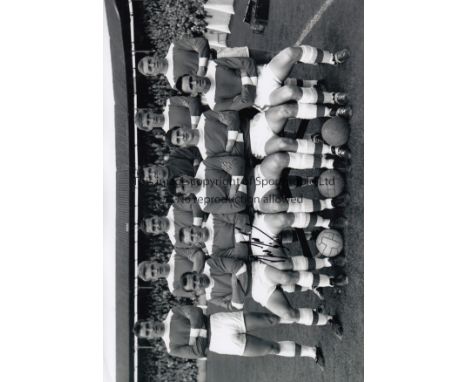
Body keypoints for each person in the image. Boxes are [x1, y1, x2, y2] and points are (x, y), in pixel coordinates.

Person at [180, 256, 346, 338]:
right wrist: (234, 282)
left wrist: (237, 287)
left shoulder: (210, 264)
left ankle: (332, 279)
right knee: (289, 315)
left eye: (194, 278)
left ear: (195, 272)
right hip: (257, 292)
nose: (197, 282)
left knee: (286, 278)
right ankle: (329, 319)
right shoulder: (210, 297)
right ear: (196, 291)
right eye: (194, 285)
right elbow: (236, 306)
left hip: (257, 271)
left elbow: (240, 267)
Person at [133, 305, 325, 369]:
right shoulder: (172, 348)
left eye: (148, 325)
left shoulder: (173, 312)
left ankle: (318, 316)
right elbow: (199, 352)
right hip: (222, 343)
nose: (152, 329)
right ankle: (312, 352)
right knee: (271, 348)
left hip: (220, 322)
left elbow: (197, 313)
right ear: (149, 338)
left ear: (150, 320)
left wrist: (195, 336)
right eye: (147, 332)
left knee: (270, 318)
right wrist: (197, 334)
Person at [250, 152, 349, 213]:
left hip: (256, 174)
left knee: (278, 160)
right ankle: (329, 204)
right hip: (256, 199)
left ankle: (329, 163)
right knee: (278, 205)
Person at [168, 156, 248, 214]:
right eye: (183, 187)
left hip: (254, 172)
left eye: (182, 180)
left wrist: (234, 189)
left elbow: (237, 161)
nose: (186, 182)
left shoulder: (205, 165)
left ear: (184, 175)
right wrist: (239, 177)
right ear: (186, 194)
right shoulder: (205, 205)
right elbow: (239, 205)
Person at [175, 56, 258, 111]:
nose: (195, 82)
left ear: (193, 74)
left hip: (259, 72)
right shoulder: (214, 104)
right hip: (260, 96)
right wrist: (244, 75)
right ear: (193, 94)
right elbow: (247, 101)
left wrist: (252, 86)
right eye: (191, 86)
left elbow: (247, 62)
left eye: (191, 79)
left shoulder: (213, 64)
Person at [166, 110, 245, 159]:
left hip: (251, 125)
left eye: (178, 133)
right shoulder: (207, 156)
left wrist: (231, 143)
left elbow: (232, 116)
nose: (181, 136)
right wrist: (237, 131)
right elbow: (236, 158)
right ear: (182, 146)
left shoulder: (205, 117)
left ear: (182, 127)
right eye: (178, 140)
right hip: (253, 149)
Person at [138, 37, 211, 88]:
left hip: (218, 58)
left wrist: (202, 68)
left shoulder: (174, 47)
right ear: (153, 74)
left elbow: (201, 42)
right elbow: (200, 89)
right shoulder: (174, 82)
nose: (152, 64)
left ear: (153, 57)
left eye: (150, 61)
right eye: (150, 68)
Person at [178, 212, 251, 258]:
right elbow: (241, 254)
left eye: (192, 231)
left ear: (193, 226)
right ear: (194, 244)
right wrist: (237, 232)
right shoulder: (213, 253)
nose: (196, 235)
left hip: (255, 224)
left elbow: (242, 218)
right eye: (192, 238)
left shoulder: (214, 216)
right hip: (254, 247)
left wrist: (240, 242)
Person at [137, 250, 203, 298]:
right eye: (153, 274)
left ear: (154, 261)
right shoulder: (174, 288)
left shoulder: (176, 253)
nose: (156, 270)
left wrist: (195, 276)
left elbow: (198, 254)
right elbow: (197, 293)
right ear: (154, 279)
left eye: (152, 267)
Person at [135, 96, 202, 135]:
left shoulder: (171, 102)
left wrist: (194, 127)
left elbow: (193, 101)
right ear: (149, 128)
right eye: (148, 122)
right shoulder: (173, 136)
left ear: (150, 111)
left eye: (148, 116)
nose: (152, 119)